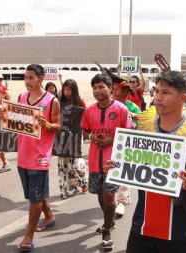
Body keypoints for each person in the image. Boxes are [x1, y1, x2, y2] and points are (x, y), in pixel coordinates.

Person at [110, 70, 186, 253]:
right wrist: (116, 165)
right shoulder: (145, 128)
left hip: (180, 230)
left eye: (166, 93)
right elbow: (134, 166)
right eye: (157, 91)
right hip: (142, 225)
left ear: (182, 98)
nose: (157, 97)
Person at [0, 64, 61, 252]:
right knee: (35, 194)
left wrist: (48, 124)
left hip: (40, 157)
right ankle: (49, 215)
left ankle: (28, 236)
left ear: (41, 78)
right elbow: (14, 121)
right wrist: (4, 115)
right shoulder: (21, 97)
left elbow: (58, 125)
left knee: (34, 199)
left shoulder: (52, 100)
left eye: (31, 77)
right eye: (26, 77)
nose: (28, 81)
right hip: (23, 154)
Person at [81, 73, 134, 250]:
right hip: (95, 161)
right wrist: (92, 136)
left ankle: (106, 230)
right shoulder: (89, 110)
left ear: (110, 88)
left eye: (101, 87)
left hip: (114, 162)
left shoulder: (121, 109)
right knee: (100, 196)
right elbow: (85, 132)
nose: (97, 91)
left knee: (109, 196)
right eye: (94, 87)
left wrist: (112, 140)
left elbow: (129, 134)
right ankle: (109, 222)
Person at [111, 75, 141, 216]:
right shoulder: (110, 104)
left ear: (124, 91)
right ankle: (120, 197)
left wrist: (129, 114)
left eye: (117, 89)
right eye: (113, 89)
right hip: (111, 141)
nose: (114, 92)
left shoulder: (131, 105)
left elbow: (140, 118)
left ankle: (121, 200)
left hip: (128, 141)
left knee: (124, 170)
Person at [57, 79, 88, 199]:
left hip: (76, 136)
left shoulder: (80, 102)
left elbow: (85, 117)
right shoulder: (60, 102)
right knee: (64, 164)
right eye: (65, 89)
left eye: (69, 90)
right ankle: (67, 189)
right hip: (62, 137)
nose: (66, 92)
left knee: (75, 163)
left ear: (74, 90)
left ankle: (84, 180)